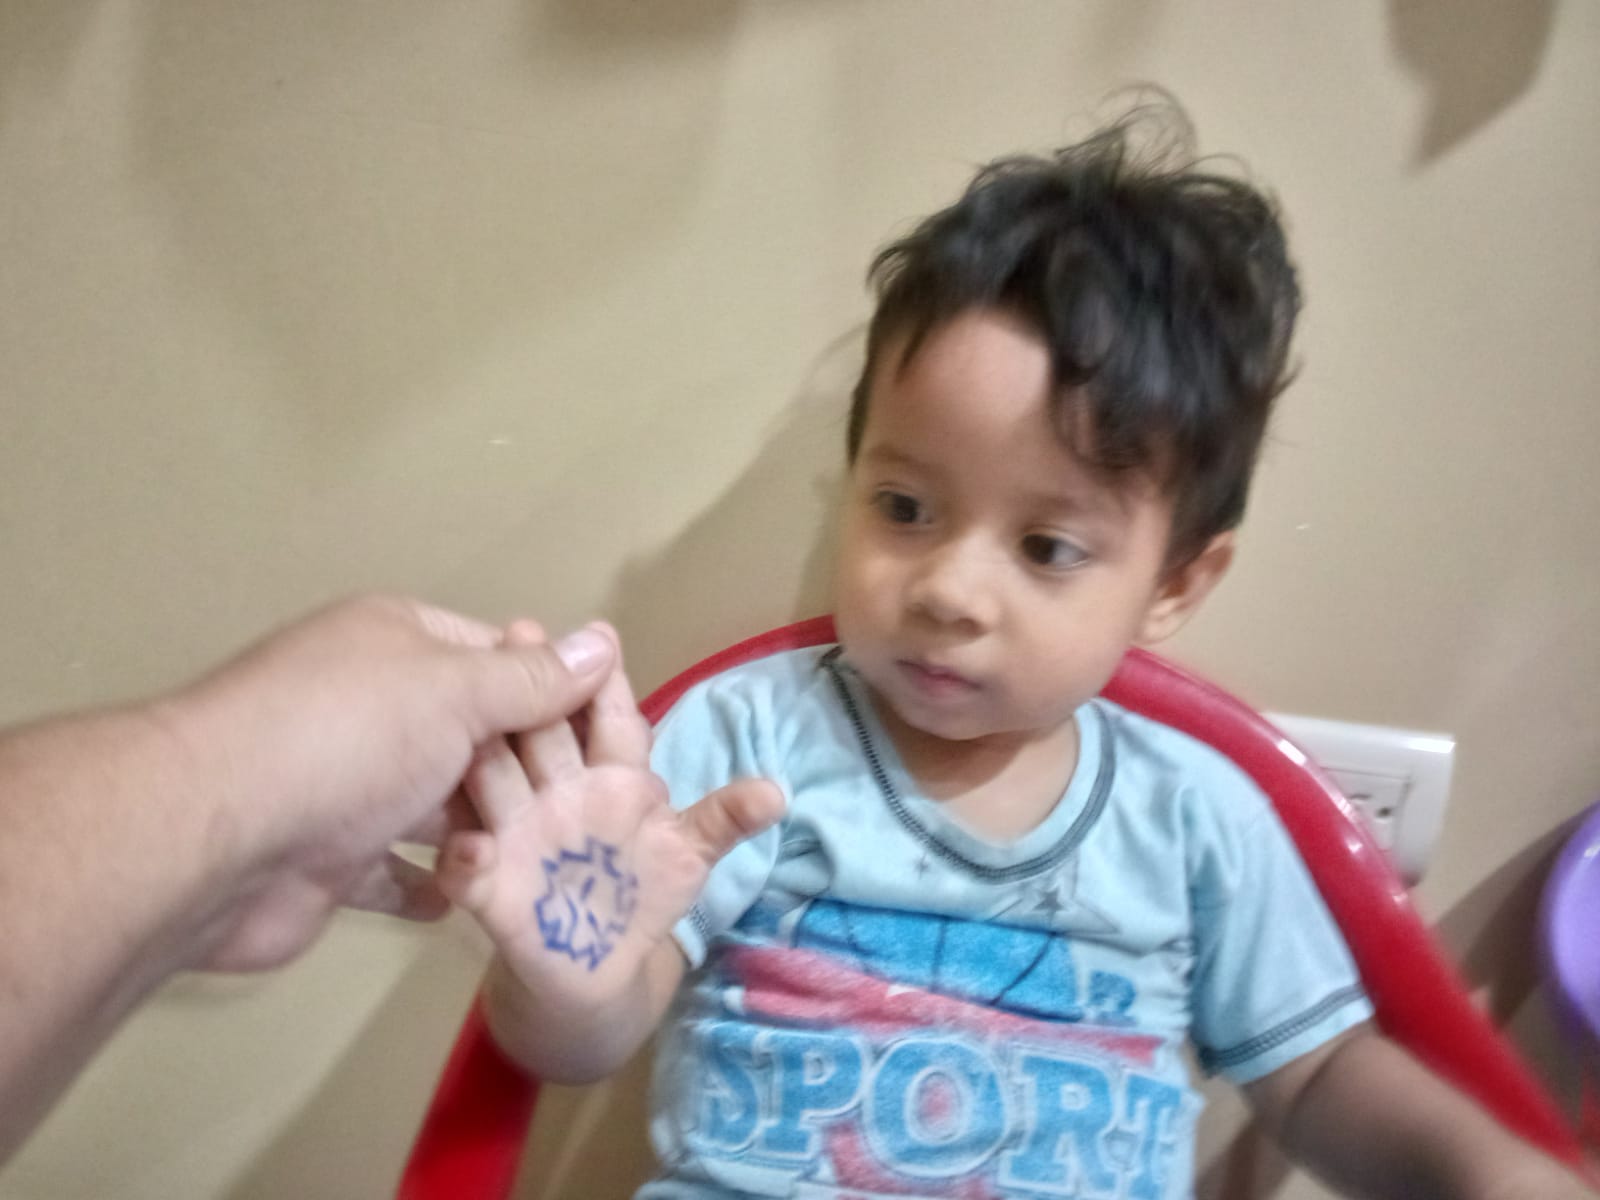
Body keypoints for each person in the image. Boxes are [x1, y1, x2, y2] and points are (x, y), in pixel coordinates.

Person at [451, 112, 1597, 1198]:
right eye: (904, 507)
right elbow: (580, 1038)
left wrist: (1488, 1174)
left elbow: (1318, 1075)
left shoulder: (1198, 817)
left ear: (1174, 584)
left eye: (1046, 547)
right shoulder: (747, 743)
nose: (949, 590)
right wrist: (566, 978)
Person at [0, 594, 782, 1166]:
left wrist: (228, 808)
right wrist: (575, 997)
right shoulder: (756, 730)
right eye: (885, 500)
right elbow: (582, 1040)